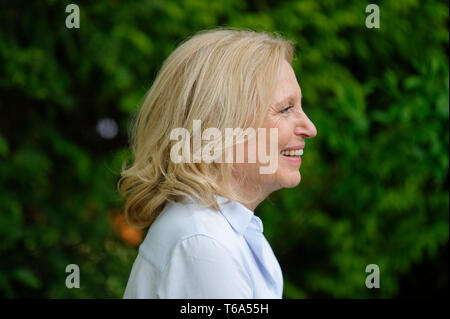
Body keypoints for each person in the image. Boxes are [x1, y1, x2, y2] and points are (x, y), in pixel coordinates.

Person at [119, 27, 317, 299]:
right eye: (286, 109)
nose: (309, 127)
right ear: (221, 123)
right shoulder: (204, 245)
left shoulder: (227, 234)